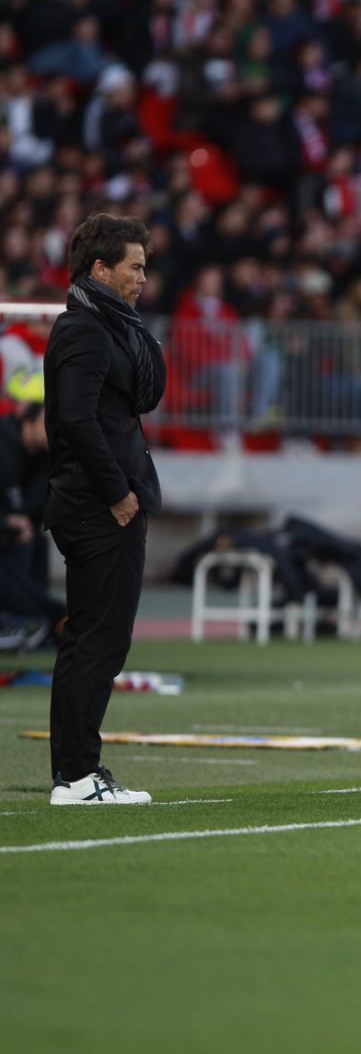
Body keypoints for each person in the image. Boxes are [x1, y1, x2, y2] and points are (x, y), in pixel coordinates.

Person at [43, 213, 165, 805]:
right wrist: (118, 492)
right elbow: (77, 419)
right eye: (134, 266)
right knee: (98, 639)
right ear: (100, 268)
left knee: (95, 639)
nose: (143, 277)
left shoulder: (101, 327)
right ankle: (76, 774)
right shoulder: (84, 330)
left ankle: (75, 771)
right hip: (97, 507)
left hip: (97, 504)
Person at [0, 397, 66, 640]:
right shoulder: (3, 448)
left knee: (33, 541)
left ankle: (37, 622)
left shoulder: (42, 458)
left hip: (14, 533)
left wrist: (19, 523)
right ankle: (49, 617)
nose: (53, 430)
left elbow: (34, 511)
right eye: (47, 422)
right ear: (28, 423)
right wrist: (8, 523)